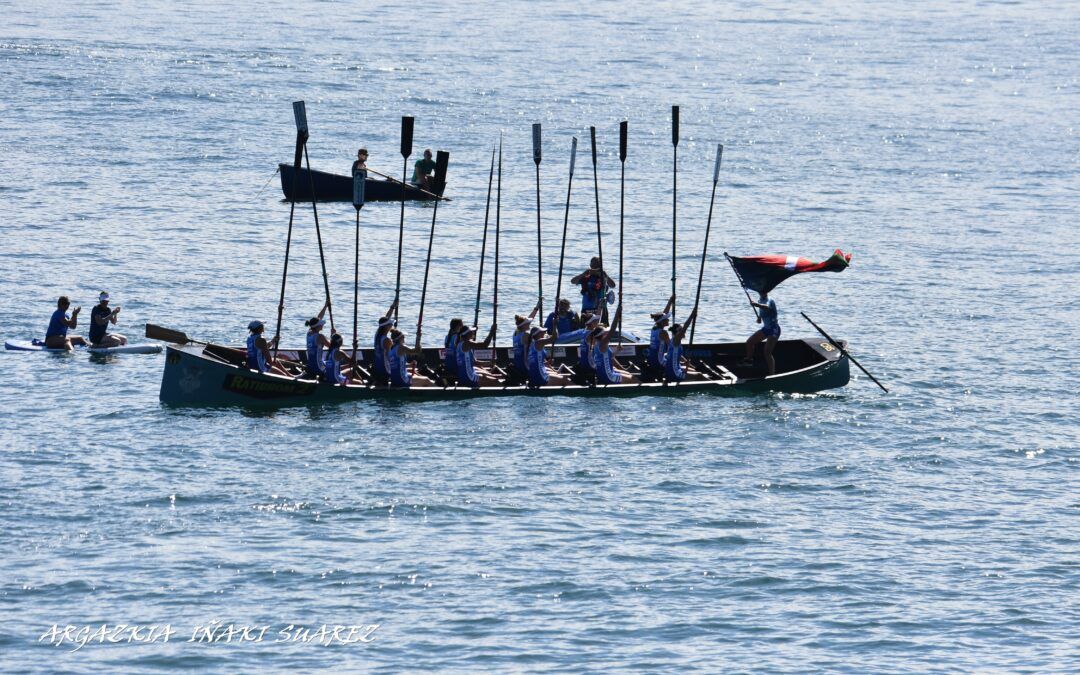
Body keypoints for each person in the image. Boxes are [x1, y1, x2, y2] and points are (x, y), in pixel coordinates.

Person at [593, 306, 637, 385]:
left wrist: (617, 351)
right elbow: (612, 329)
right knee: (633, 379)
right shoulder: (603, 343)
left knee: (629, 375)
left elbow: (608, 358)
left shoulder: (597, 343)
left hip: (604, 374)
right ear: (602, 335)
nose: (606, 333)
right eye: (605, 333)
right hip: (609, 377)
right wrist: (617, 313)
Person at [741, 291, 780, 375]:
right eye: (761, 292)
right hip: (766, 329)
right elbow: (762, 312)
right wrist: (759, 318)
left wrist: (756, 305)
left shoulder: (770, 300)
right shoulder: (760, 300)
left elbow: (766, 307)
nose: (763, 293)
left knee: (767, 352)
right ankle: (749, 360)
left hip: (774, 329)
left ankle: (772, 374)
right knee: (749, 342)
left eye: (764, 292)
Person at [665, 312, 704, 382]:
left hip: (672, 369)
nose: (683, 333)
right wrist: (692, 315)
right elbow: (686, 326)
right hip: (674, 372)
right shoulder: (676, 339)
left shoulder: (672, 340)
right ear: (677, 332)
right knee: (699, 375)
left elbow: (677, 356)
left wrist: (687, 363)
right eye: (680, 331)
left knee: (694, 370)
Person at [646, 295, 676, 378]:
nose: (668, 320)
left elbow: (664, 313)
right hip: (659, 362)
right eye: (666, 319)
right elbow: (672, 348)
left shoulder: (654, 328)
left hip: (651, 360)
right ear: (662, 322)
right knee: (677, 365)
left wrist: (670, 300)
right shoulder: (663, 333)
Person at [511, 301, 541, 381]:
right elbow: (526, 356)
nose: (530, 324)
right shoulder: (526, 335)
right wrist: (530, 371)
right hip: (525, 367)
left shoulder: (516, 333)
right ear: (524, 325)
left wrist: (536, 308)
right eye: (528, 323)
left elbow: (530, 317)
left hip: (517, 365)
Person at [371, 299, 398, 385]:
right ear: (386, 327)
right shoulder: (387, 340)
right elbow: (390, 357)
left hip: (377, 366)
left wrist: (393, 306)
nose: (392, 325)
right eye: (390, 324)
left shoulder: (377, 334)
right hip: (385, 370)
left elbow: (386, 318)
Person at [304, 301, 331, 379]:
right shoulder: (320, 337)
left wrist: (325, 306)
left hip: (311, 366)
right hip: (319, 367)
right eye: (321, 324)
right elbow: (332, 347)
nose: (322, 325)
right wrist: (333, 334)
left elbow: (318, 318)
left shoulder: (309, 333)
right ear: (317, 326)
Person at [575, 312, 602, 383]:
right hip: (589, 365)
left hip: (583, 363)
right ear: (591, 323)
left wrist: (600, 308)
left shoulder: (584, 331)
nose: (597, 322)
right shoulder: (591, 334)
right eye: (595, 321)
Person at [442, 318, 464, 383]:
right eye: (462, 325)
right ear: (458, 326)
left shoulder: (447, 336)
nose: (463, 327)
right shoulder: (458, 337)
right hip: (455, 366)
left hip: (448, 365)